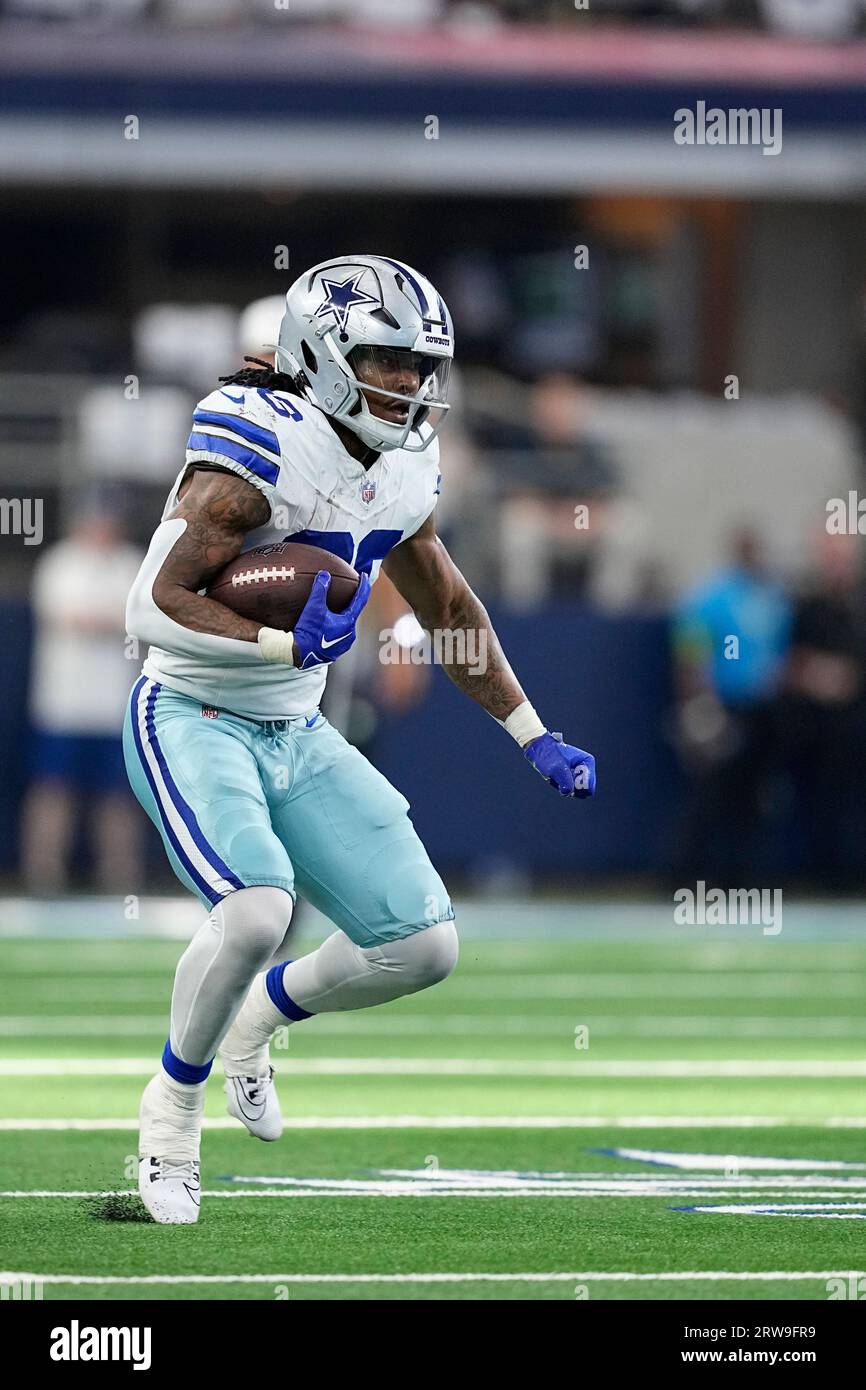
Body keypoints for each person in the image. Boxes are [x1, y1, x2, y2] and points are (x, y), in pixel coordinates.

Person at [124, 254, 596, 1223]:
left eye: (421, 367)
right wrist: (272, 636)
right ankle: (171, 1109)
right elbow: (150, 606)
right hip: (190, 709)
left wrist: (529, 731)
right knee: (257, 910)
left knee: (424, 943)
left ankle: (260, 1019)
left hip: (294, 725)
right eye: (386, 361)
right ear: (327, 353)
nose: (409, 385)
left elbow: (449, 602)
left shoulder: (404, 461)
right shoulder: (257, 447)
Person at [21, 494, 143, 894]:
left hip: (114, 706)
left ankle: (120, 877)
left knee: (119, 796)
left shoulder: (132, 564)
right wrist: (114, 618)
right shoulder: (60, 564)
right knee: (53, 790)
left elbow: (140, 621)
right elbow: (71, 618)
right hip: (64, 705)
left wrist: (109, 619)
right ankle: (43, 874)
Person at [671, 527, 792, 882]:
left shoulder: (772, 597)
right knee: (712, 795)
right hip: (722, 706)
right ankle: (691, 877)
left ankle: (744, 878)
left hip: (763, 709)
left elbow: (779, 652)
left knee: (755, 797)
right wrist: (700, 705)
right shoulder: (713, 596)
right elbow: (690, 651)